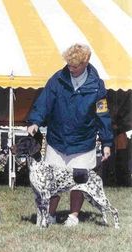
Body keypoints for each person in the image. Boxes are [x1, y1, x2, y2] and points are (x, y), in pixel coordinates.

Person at [27, 43, 113, 227]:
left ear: (86, 62)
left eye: (75, 66)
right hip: (57, 141)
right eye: (69, 65)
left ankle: (73, 216)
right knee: (50, 182)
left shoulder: (97, 86)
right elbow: (44, 103)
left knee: (79, 183)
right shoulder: (57, 79)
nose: (71, 69)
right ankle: (49, 215)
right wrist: (35, 121)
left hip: (83, 142)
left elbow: (102, 114)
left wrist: (107, 141)